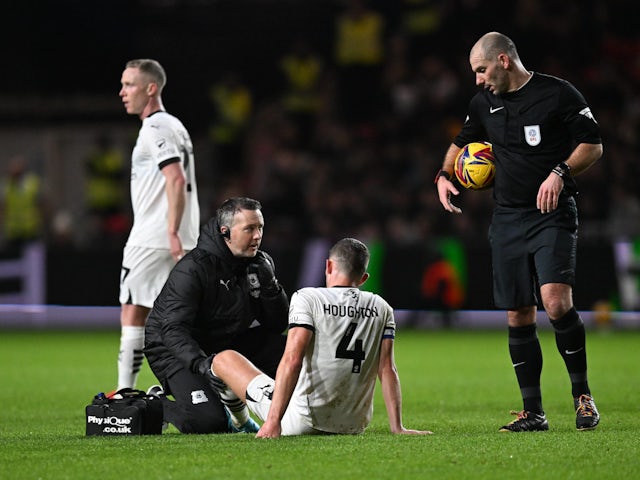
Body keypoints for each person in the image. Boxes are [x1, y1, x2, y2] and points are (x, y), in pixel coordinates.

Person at [435, 32, 602, 432]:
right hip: (507, 218)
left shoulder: (558, 94)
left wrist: (559, 173)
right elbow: (461, 142)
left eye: (481, 70)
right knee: (518, 311)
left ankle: (582, 397)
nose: (477, 80)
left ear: (504, 61)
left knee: (556, 302)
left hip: (552, 213)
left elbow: (593, 145)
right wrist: (444, 173)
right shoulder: (483, 103)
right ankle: (533, 411)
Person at [208, 237, 432, 437]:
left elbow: (293, 359)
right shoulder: (381, 307)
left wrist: (273, 422)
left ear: (329, 265)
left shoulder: (308, 298)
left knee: (223, 359)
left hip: (302, 420)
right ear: (363, 278)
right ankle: (393, 426)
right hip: (353, 425)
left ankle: (242, 422)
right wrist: (397, 427)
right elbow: (387, 369)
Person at [144, 197, 289, 434]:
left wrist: (271, 287)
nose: (257, 236)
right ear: (226, 232)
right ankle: (156, 403)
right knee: (209, 422)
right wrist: (201, 364)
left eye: (260, 227)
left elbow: (277, 325)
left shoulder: (259, 264)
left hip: (226, 343)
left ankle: (299, 410)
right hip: (174, 350)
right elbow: (172, 329)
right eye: (249, 229)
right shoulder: (193, 269)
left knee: (291, 352)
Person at [115, 59, 200, 393]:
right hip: (183, 238)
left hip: (154, 238)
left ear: (151, 88)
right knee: (180, 321)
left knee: (133, 313)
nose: (122, 92)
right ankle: (196, 392)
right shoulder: (176, 125)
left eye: (129, 85)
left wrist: (171, 230)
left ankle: (124, 394)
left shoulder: (155, 128)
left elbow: (176, 179)